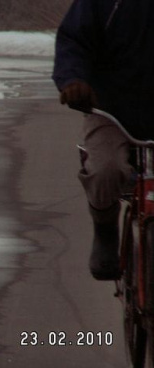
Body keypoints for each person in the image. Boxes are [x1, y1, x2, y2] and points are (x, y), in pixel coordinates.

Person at [52, 0, 154, 280]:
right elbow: (74, 40)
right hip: (111, 108)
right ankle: (105, 227)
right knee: (105, 169)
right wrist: (73, 79)